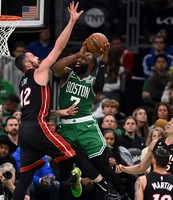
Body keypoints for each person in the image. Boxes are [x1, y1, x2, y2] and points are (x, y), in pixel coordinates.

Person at [13, 2, 83, 200]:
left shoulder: (23, 82)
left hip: (25, 131)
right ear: (28, 63)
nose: (37, 57)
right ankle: (68, 180)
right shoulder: (39, 71)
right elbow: (59, 47)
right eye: (33, 56)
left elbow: (35, 108)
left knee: (25, 178)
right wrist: (71, 22)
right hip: (37, 127)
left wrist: (59, 113)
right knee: (70, 153)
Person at [51, 38, 128, 198]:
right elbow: (54, 69)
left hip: (86, 127)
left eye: (84, 59)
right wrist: (77, 54)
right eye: (79, 59)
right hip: (66, 128)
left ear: (91, 65)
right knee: (64, 172)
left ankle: (123, 195)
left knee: (105, 167)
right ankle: (74, 179)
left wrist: (103, 59)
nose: (79, 60)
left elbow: (99, 86)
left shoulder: (92, 82)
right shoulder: (67, 74)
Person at [117, 113, 173, 192]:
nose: (169, 122)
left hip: (171, 190)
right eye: (170, 120)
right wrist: (124, 169)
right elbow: (142, 167)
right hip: (153, 187)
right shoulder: (155, 143)